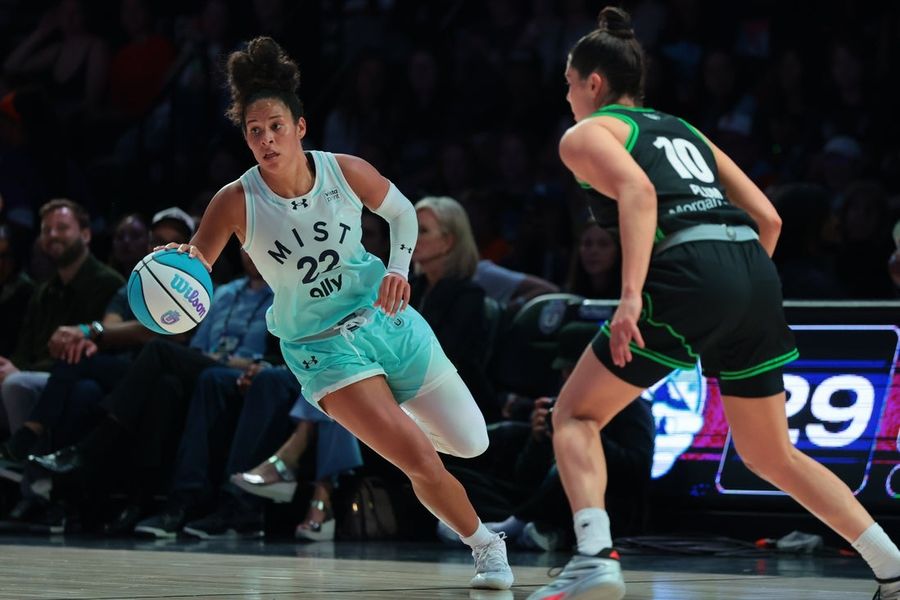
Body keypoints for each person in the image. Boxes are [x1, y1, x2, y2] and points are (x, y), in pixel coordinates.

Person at [527, 7, 900, 600]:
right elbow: (769, 218)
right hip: (752, 272)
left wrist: (630, 300)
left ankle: (595, 558)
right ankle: (892, 566)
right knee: (771, 454)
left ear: (594, 83)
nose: (567, 95)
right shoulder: (683, 130)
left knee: (577, 416)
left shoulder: (586, 135)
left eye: (570, 83)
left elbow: (638, 192)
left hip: (688, 271)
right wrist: (735, 296)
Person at [156, 37, 512, 590]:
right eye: (254, 131)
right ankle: (485, 545)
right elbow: (197, 263)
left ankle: (398, 411)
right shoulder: (235, 199)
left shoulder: (343, 170)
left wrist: (398, 269)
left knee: (471, 443)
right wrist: (177, 267)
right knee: (417, 457)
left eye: (275, 126)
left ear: (300, 127)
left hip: (382, 316)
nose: (266, 139)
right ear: (246, 138)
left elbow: (401, 215)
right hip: (320, 348)